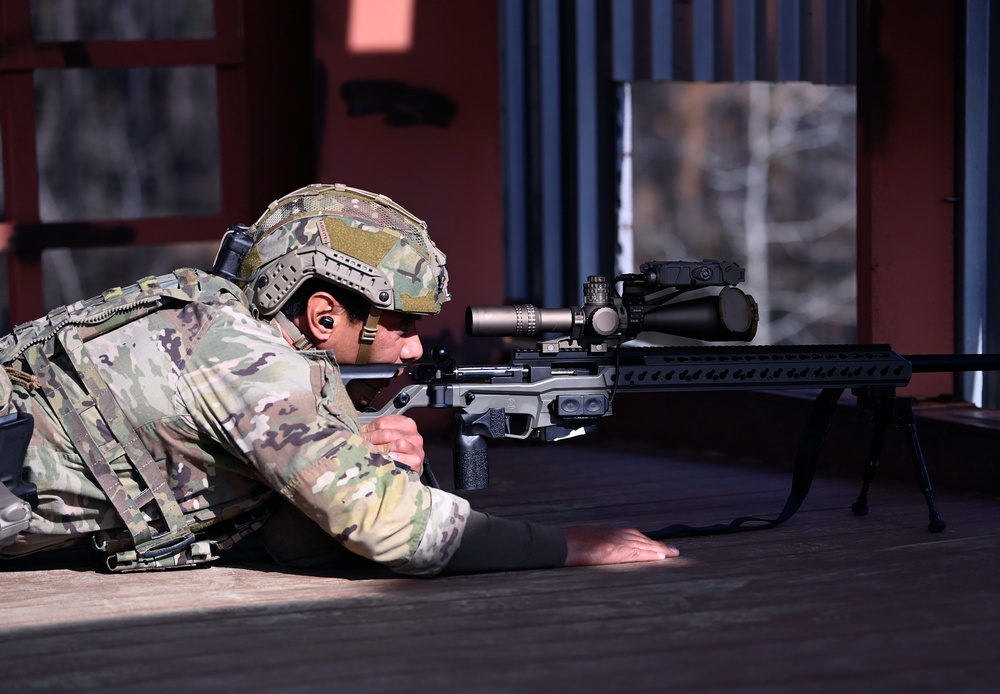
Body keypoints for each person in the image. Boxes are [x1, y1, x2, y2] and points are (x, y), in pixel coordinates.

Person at [0, 183, 677, 575]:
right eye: (401, 323)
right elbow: (386, 528)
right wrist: (572, 546)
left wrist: (354, 439)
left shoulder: (235, 320)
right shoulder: (251, 362)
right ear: (323, 314)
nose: (414, 346)